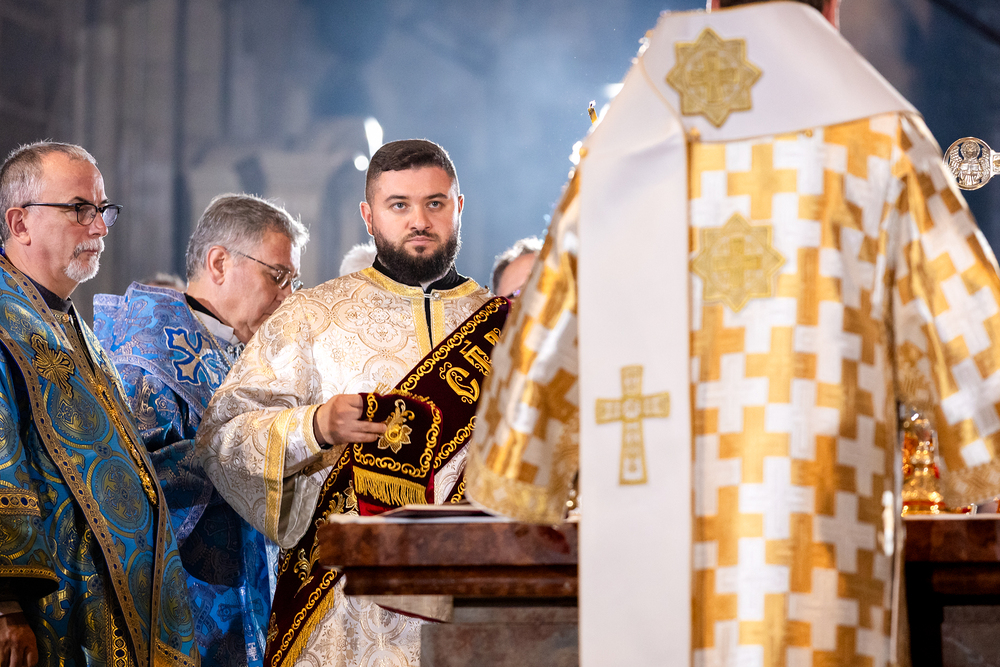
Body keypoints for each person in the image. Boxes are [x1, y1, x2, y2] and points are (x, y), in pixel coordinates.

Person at [464, 1, 1000, 666]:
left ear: (713, 5)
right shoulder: (877, 131)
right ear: (830, 9)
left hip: (657, 516)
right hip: (821, 511)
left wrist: (526, 462)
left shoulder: (631, 131)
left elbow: (551, 325)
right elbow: (972, 331)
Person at [197, 139, 493, 666]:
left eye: (435, 203)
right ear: (369, 215)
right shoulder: (311, 317)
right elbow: (222, 436)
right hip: (345, 613)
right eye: (399, 205)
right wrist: (315, 426)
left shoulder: (509, 329)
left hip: (478, 599)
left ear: (459, 207)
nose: (419, 220)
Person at [0, 141, 199, 665]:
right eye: (79, 209)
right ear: (19, 223)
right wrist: (6, 605)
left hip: (109, 595)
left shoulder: (70, 325)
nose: (100, 228)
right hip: (45, 606)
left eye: (103, 210)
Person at [92, 194, 309, 667]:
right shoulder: (146, 355)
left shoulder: (235, 350)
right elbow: (128, 487)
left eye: (294, 280)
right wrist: (262, 447)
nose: (288, 296)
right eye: (278, 276)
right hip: (182, 613)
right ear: (219, 262)